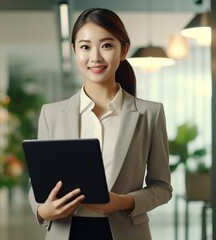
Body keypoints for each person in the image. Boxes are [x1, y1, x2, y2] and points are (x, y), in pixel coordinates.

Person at [28, 7, 173, 240]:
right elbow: (38, 184)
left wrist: (124, 202)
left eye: (106, 45)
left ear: (123, 49)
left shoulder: (150, 113)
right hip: (66, 232)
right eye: (85, 46)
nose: (95, 57)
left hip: (125, 231)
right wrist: (42, 210)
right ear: (75, 51)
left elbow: (162, 187)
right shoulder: (51, 114)